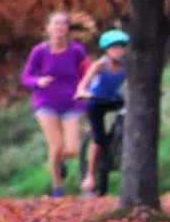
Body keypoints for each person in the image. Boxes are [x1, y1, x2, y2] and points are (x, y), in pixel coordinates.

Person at [21, 11, 89, 197]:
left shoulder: (77, 50)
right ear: (48, 28)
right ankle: (57, 188)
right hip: (45, 101)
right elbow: (25, 77)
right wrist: (38, 82)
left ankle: (59, 161)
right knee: (56, 145)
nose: (60, 27)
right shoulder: (39, 51)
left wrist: (84, 89)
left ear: (67, 28)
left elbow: (87, 72)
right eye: (56, 23)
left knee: (72, 149)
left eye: (63, 24)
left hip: (71, 102)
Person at [75, 29, 129, 196]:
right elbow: (83, 85)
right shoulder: (100, 65)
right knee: (98, 140)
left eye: (121, 47)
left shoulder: (127, 65)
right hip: (96, 102)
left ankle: (119, 143)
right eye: (114, 48)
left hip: (113, 100)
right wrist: (83, 92)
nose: (118, 51)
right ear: (107, 50)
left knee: (129, 115)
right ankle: (90, 177)